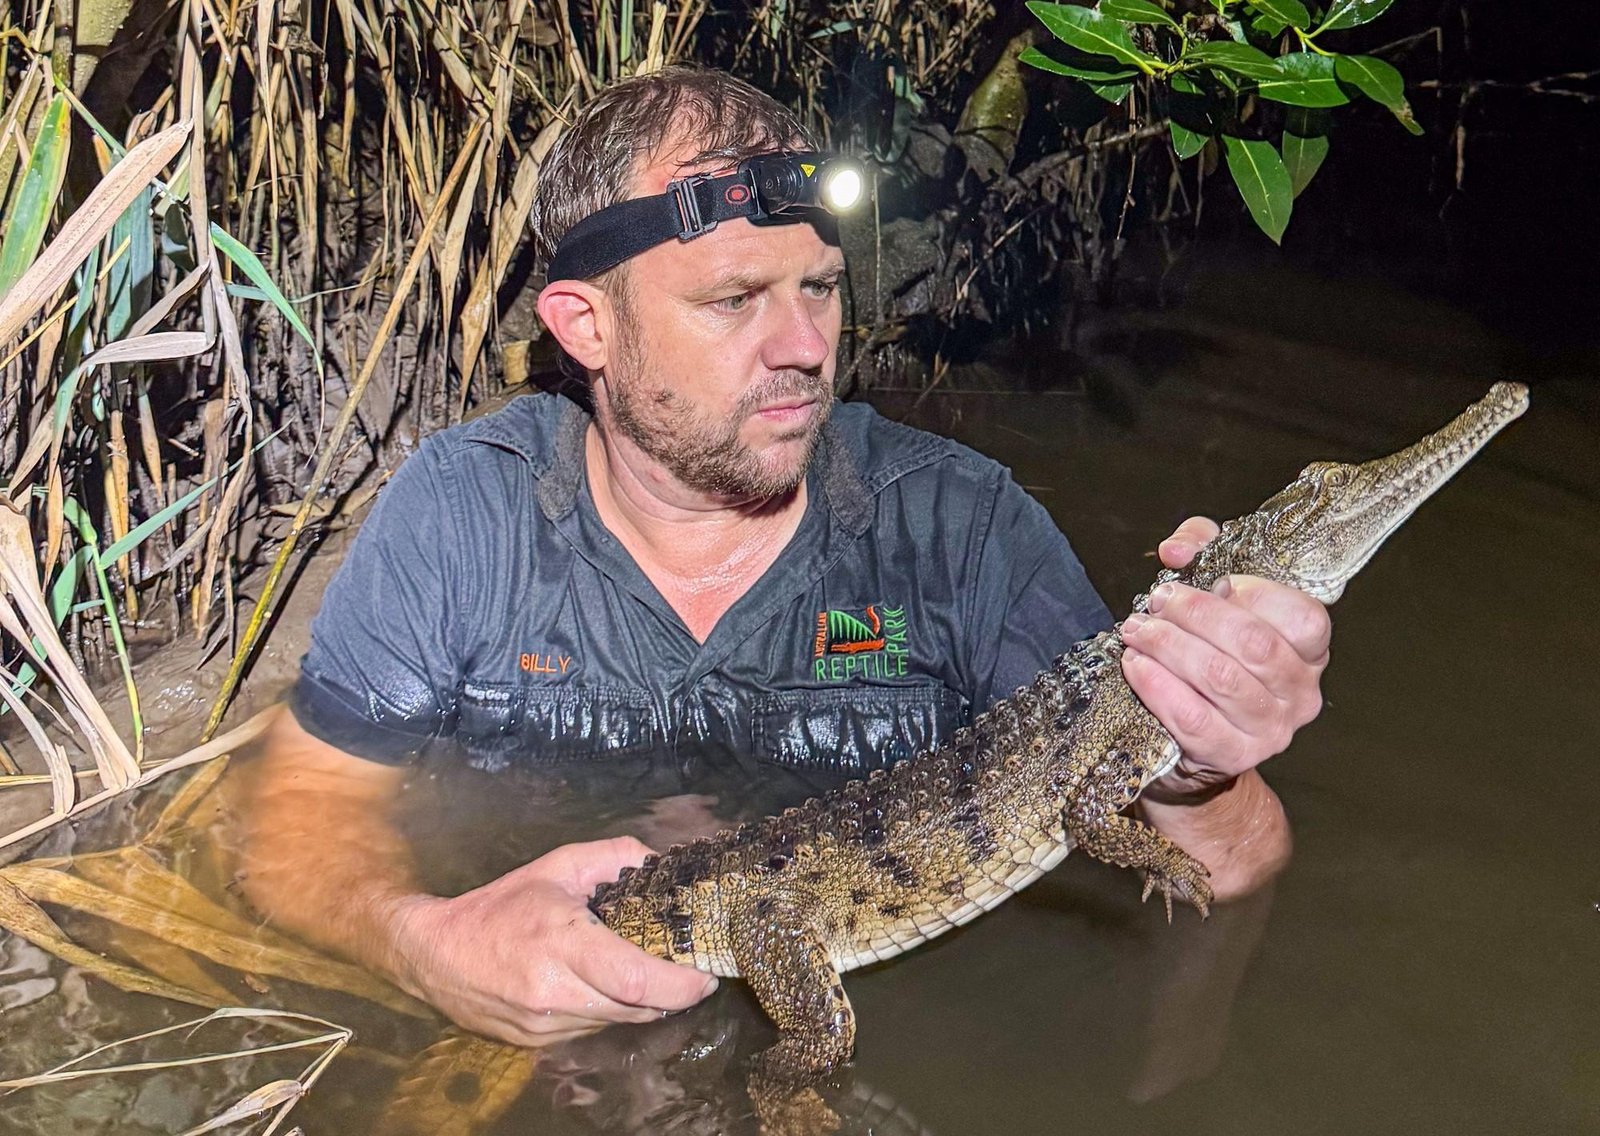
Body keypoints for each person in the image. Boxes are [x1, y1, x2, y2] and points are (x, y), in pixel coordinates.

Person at [238, 66, 1328, 1050]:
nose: (806, 345)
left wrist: (1199, 762)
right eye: (733, 299)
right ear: (585, 326)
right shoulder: (463, 509)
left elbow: (1236, 866)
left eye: (818, 286)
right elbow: (293, 822)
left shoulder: (959, 526)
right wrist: (422, 943)